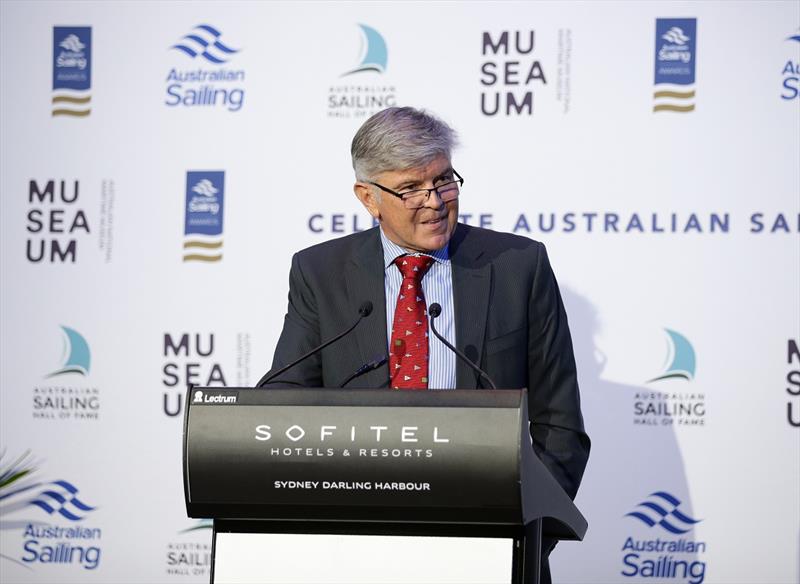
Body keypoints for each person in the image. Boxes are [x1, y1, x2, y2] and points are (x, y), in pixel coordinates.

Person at [267, 106, 590, 582]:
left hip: (491, 542)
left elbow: (559, 423)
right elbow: (285, 403)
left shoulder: (519, 267)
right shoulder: (321, 273)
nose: (435, 201)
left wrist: (526, 533)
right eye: (410, 188)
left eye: (443, 180)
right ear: (368, 197)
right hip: (355, 547)